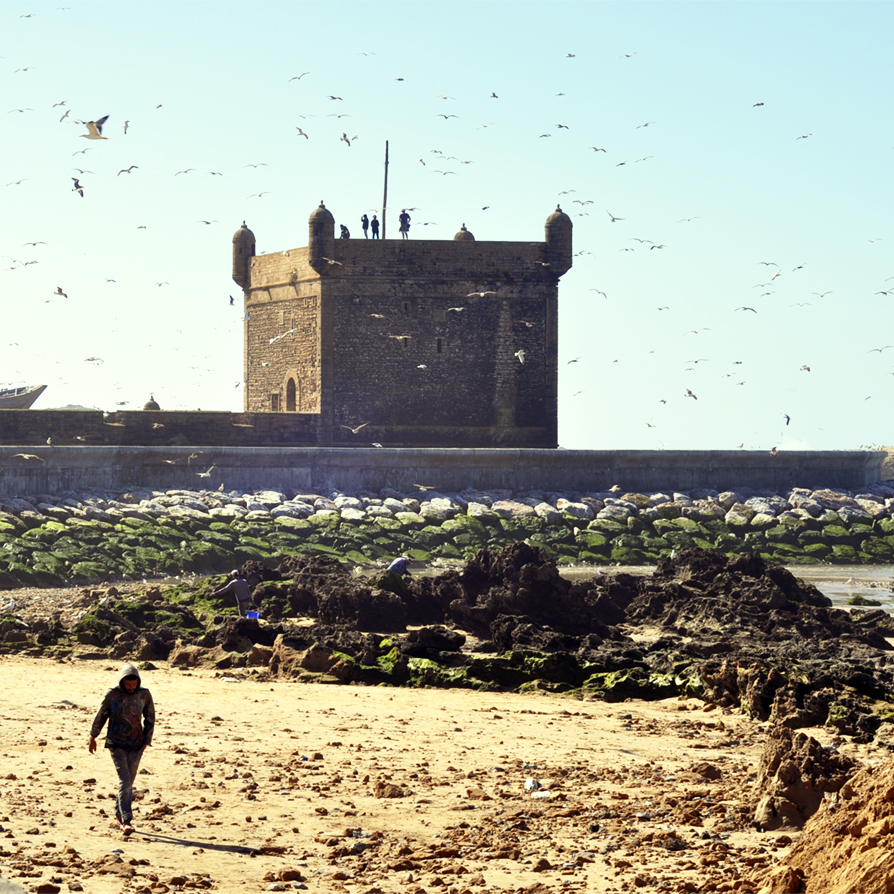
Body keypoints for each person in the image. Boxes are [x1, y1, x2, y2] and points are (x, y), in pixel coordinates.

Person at [89, 663, 155, 835]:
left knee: (129, 782)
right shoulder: (112, 695)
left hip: (136, 744)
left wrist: (146, 741)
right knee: (125, 779)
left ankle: (118, 817)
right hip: (116, 743)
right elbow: (101, 715)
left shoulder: (144, 695)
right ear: (122, 681)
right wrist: (93, 736)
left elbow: (150, 718)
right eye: (128, 685)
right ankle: (126, 820)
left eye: (134, 685)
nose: (131, 688)